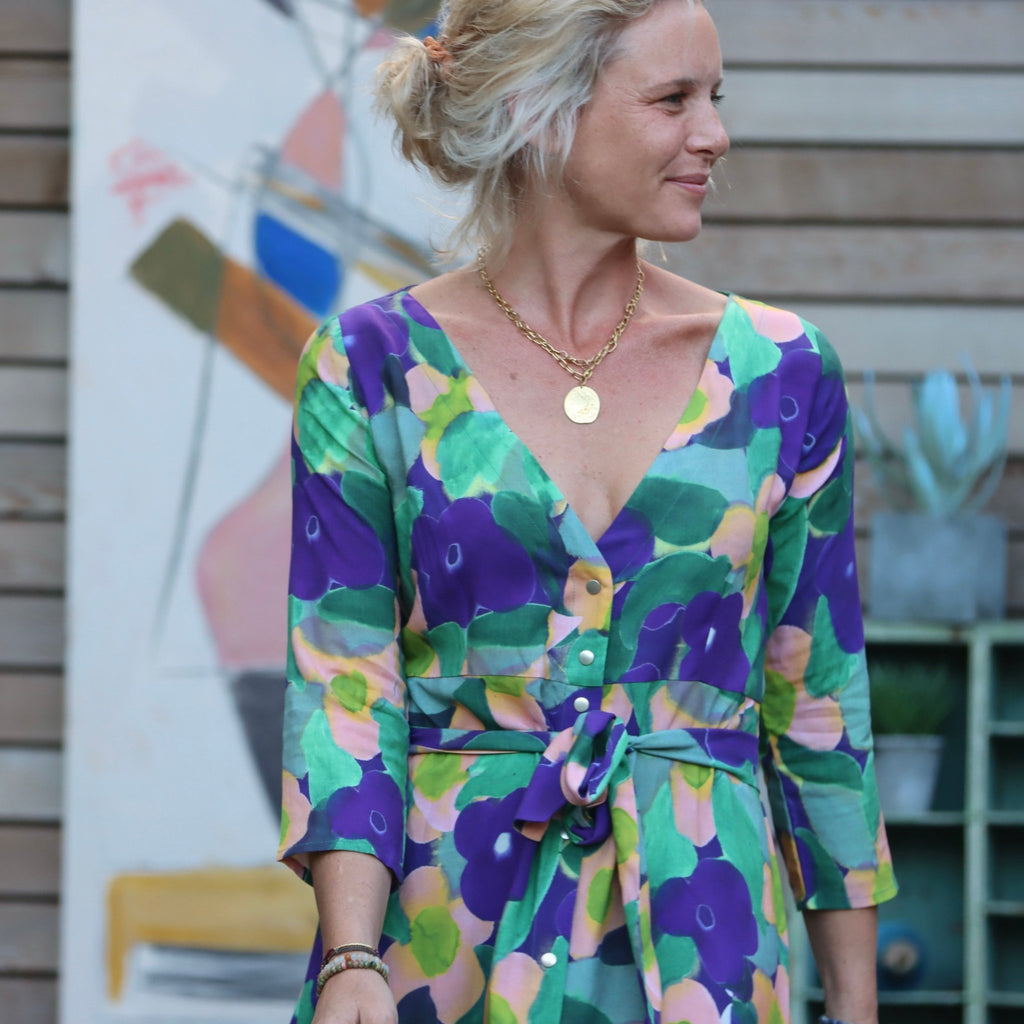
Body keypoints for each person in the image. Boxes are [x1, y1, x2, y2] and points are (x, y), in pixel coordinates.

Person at [279, 1, 897, 1022]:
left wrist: (858, 1005)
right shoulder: (367, 365)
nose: (714, 134)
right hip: (441, 944)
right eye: (672, 100)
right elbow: (346, 679)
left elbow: (816, 703)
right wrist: (351, 957)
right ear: (539, 109)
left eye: (714, 97)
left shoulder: (782, 373)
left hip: (707, 944)